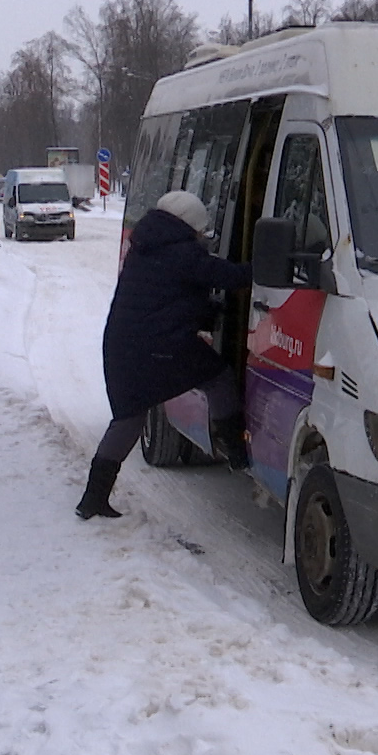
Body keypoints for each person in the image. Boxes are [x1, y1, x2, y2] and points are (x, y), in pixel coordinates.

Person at [77, 190, 251, 520]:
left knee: (128, 419)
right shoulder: (182, 252)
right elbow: (228, 276)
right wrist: (266, 269)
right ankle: (234, 448)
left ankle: (92, 499)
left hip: (124, 345)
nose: (203, 235)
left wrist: (206, 310)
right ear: (189, 224)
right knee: (219, 377)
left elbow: (166, 296)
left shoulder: (147, 246)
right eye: (201, 229)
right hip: (160, 348)